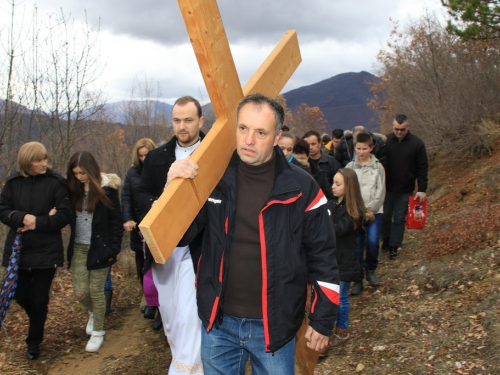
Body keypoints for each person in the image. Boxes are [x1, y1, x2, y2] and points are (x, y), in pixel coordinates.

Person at [168, 93, 339, 374]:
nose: (249, 140)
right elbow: (180, 235)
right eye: (243, 128)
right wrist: (172, 186)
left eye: (260, 132)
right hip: (218, 322)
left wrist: (322, 320)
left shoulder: (302, 189)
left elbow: (323, 256)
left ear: (276, 137)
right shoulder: (213, 178)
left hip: (274, 326)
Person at [135, 96, 205, 374]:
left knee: (190, 314)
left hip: (198, 246)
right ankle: (181, 360)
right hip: (164, 248)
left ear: (201, 121)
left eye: (188, 120)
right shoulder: (156, 157)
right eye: (177, 120)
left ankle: (186, 370)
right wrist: (160, 203)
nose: (182, 126)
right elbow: (139, 194)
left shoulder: (217, 153)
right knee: (171, 313)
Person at [0, 142, 71, 360]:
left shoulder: (56, 182)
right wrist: (21, 217)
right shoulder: (12, 183)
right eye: (39, 160)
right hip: (18, 251)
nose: (44, 163)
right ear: (26, 162)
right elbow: (3, 210)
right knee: (19, 295)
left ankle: (33, 342)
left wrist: (36, 223)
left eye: (45, 159)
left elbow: (64, 215)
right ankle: (38, 318)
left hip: (46, 252)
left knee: (40, 299)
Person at [66, 151, 123, 352]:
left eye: (82, 173)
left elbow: (116, 220)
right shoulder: (73, 189)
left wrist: (113, 248)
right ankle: (92, 312)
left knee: (97, 291)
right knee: (81, 293)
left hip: (101, 247)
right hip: (79, 248)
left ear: (91, 169)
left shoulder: (107, 189)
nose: (80, 177)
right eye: (75, 173)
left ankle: (98, 331)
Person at [326, 169, 372, 350]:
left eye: (338, 184)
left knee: (341, 297)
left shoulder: (354, 212)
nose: (333, 186)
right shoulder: (331, 204)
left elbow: (337, 229)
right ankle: (327, 326)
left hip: (345, 260)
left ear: (349, 188)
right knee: (330, 294)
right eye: (333, 182)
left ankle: (342, 330)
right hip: (331, 259)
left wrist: (322, 226)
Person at [121, 138, 162, 327]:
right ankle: (149, 301)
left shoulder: (161, 170)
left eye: (147, 155)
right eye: (141, 156)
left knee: (160, 267)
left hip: (158, 225)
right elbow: (127, 197)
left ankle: (162, 309)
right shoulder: (132, 173)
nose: (144, 159)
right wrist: (128, 219)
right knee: (142, 266)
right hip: (138, 227)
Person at [381, 114, 428, 260]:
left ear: (408, 127)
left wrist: (422, 189)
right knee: (386, 216)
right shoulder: (386, 141)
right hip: (387, 187)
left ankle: (395, 245)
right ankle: (387, 240)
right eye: (396, 129)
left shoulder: (417, 144)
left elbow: (422, 168)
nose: (399, 132)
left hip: (405, 188)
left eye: (402, 129)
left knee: (400, 218)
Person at [346, 133, 385, 294]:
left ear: (371, 148)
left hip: (375, 212)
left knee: (373, 242)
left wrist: (371, 209)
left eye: (365, 149)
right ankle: (358, 279)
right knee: (357, 246)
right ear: (355, 148)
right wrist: (355, 209)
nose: (361, 152)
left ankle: (371, 270)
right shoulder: (350, 167)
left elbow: (381, 190)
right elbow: (348, 190)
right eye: (359, 148)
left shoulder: (378, 167)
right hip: (356, 213)